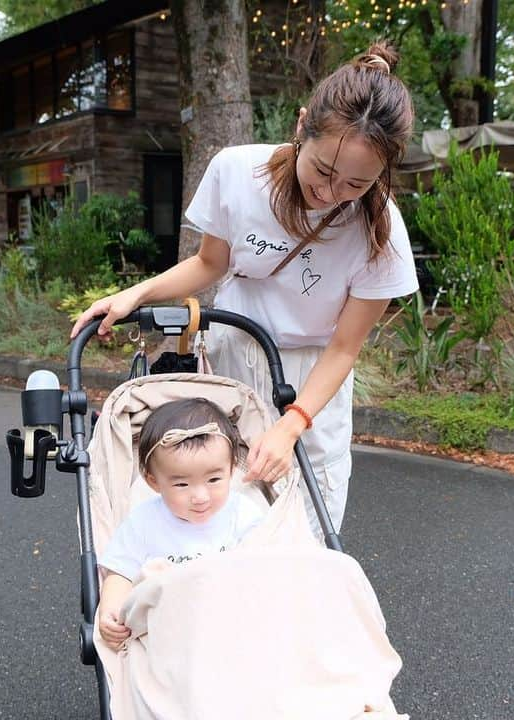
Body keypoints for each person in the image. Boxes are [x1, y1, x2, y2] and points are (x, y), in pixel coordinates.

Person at [73, 41, 419, 536]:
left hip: (310, 379)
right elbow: (210, 262)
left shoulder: (382, 229)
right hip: (233, 356)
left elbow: (345, 348)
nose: (329, 192)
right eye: (322, 169)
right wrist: (136, 294)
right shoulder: (238, 171)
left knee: (306, 530)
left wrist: (292, 422)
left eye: (355, 184)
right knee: (217, 515)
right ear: (302, 126)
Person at [98, 398, 266, 649]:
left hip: (234, 622)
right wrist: (110, 609)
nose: (200, 497)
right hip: (170, 632)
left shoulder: (243, 513)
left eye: (213, 480)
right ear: (154, 482)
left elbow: (265, 563)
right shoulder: (144, 521)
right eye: (181, 485)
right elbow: (120, 571)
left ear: (231, 470)